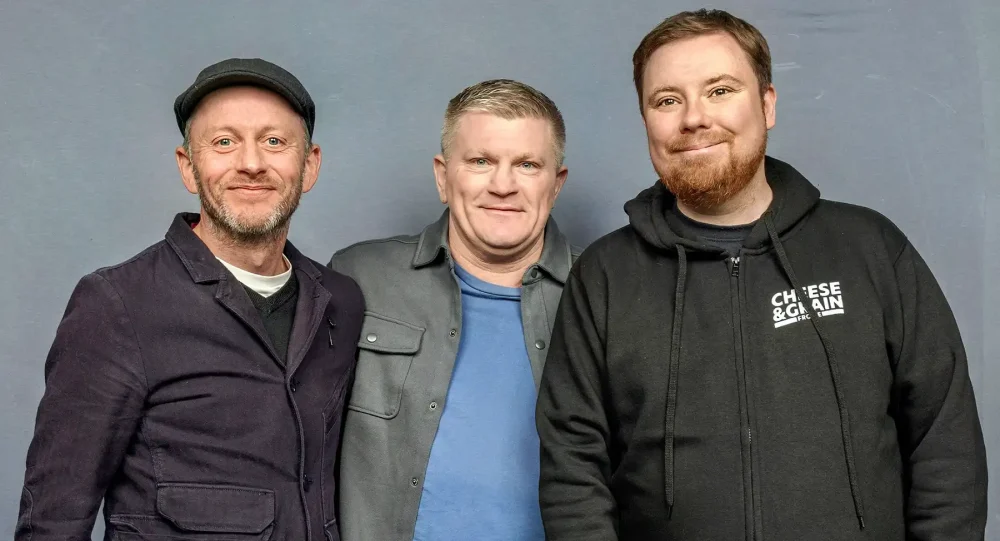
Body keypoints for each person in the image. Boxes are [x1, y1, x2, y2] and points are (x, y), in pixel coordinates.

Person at [536, 9, 987, 540]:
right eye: (667, 100)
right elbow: (573, 471)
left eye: (720, 90)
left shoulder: (868, 248)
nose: (694, 118)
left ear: (767, 104)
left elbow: (945, 444)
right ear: (646, 121)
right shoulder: (605, 276)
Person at [16, 58, 364, 541]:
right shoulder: (117, 304)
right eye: (224, 142)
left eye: (274, 141)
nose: (251, 163)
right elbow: (53, 520)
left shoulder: (341, 302)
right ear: (188, 166)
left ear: (309, 166)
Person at [330, 78, 578, 541]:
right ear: (443, 176)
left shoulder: (601, 295)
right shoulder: (358, 278)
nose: (502, 185)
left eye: (527, 164)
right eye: (480, 161)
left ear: (556, 183)